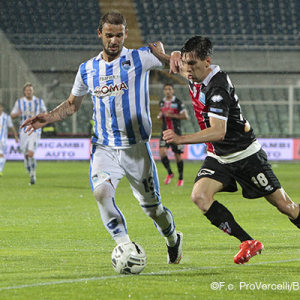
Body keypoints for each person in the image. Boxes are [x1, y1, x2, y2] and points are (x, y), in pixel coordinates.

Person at [21, 11, 183, 264]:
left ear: (125, 34)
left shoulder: (140, 58)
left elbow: (172, 64)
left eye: (119, 35)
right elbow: (73, 104)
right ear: (100, 34)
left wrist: (170, 54)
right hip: (104, 147)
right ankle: (126, 248)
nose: (114, 41)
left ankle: (173, 239)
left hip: (135, 149)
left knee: (153, 209)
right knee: (101, 193)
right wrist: (48, 117)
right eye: (109, 35)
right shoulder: (87, 69)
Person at [151, 36, 300, 264]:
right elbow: (172, 60)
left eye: (193, 64)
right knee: (200, 196)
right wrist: (163, 53)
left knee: (285, 206)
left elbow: (218, 131)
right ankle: (247, 242)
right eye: (186, 63)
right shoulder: (192, 70)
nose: (187, 70)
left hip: (245, 155)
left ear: (207, 62)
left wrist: (181, 139)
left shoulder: (217, 86)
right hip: (219, 156)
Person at [11, 82, 47, 185]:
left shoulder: (39, 101)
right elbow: (12, 115)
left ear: (33, 91)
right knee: (26, 155)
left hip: (35, 130)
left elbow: (45, 113)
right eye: (27, 90)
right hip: (23, 131)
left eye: (30, 90)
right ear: (24, 92)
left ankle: (33, 174)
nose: (28, 92)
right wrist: (17, 114)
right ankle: (29, 169)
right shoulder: (19, 102)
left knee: (31, 154)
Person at [158, 83, 188, 186]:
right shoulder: (161, 102)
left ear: (173, 91)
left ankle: (180, 178)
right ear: (163, 91)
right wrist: (160, 115)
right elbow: (162, 114)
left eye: (169, 89)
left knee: (177, 155)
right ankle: (170, 173)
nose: (167, 91)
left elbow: (185, 116)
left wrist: (172, 115)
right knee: (162, 152)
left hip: (176, 132)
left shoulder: (177, 102)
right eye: (166, 89)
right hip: (164, 132)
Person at [0, 103, 19, 176]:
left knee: (1, 154)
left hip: (3, 140)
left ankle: (0, 170)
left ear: (2, 108)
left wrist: (16, 137)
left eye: (0, 107)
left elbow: (12, 127)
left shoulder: (6, 117)